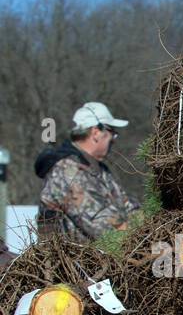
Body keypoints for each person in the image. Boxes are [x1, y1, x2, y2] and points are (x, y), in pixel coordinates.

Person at [36, 102, 139, 242]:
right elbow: (104, 228)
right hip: (73, 262)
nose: (113, 140)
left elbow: (128, 206)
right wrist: (145, 240)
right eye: (112, 133)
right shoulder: (67, 172)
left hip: (104, 258)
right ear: (96, 133)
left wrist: (150, 227)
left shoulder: (100, 170)